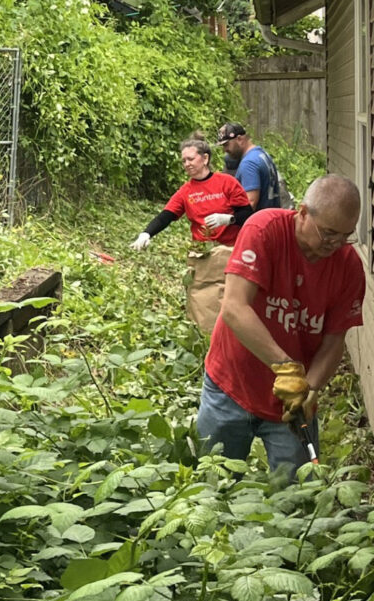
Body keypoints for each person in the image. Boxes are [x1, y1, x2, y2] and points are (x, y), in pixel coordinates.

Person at [197, 174, 364, 478]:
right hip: (230, 384)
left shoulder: (349, 266)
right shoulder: (264, 230)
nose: (336, 244)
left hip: (291, 401)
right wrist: (286, 368)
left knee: (298, 497)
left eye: (345, 236)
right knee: (213, 485)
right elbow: (235, 307)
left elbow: (334, 339)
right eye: (328, 233)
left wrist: (310, 388)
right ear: (302, 212)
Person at [131, 134, 252, 332]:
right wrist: (146, 234)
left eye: (191, 159)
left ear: (205, 159)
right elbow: (166, 216)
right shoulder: (186, 191)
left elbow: (247, 215)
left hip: (230, 251)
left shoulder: (227, 183)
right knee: (201, 299)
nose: (186, 164)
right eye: (183, 161)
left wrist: (227, 219)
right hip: (202, 254)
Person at [216, 122, 280, 209]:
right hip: (272, 216)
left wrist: (230, 218)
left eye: (226, 145)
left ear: (239, 139)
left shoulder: (248, 164)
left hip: (259, 220)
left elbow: (250, 203)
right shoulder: (262, 154)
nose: (225, 150)